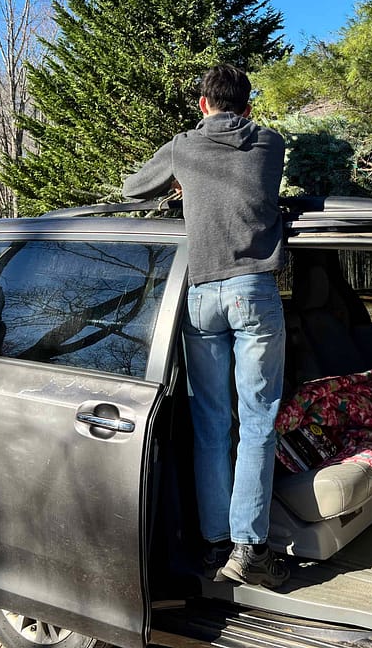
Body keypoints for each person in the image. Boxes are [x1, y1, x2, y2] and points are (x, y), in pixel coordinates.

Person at [121, 64, 289, 588]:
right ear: (248, 105)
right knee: (257, 421)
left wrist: (180, 181)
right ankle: (249, 548)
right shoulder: (269, 144)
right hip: (253, 292)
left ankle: (216, 541)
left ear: (202, 104)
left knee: (211, 423)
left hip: (200, 295)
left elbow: (133, 189)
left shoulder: (183, 148)